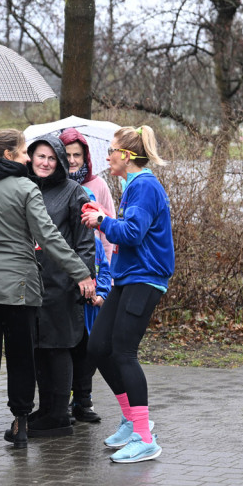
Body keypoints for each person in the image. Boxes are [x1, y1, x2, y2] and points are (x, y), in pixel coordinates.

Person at [0, 129, 96, 457]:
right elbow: (51, 237)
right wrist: (82, 272)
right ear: (9, 155)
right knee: (20, 360)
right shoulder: (27, 188)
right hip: (21, 290)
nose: (30, 158)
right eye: (25, 152)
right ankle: (20, 425)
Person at [80, 125, 174, 464]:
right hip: (127, 278)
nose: (108, 156)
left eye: (113, 150)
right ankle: (132, 420)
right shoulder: (134, 186)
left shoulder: (145, 187)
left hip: (145, 279)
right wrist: (103, 218)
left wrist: (101, 219)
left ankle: (145, 438)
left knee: (123, 352)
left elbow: (133, 233)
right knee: (98, 347)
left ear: (128, 156)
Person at [25, 134, 96, 437]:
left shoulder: (73, 192)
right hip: (31, 282)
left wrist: (84, 278)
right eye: (40, 156)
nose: (45, 163)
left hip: (63, 282)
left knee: (59, 347)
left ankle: (58, 415)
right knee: (39, 347)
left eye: (51, 158)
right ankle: (46, 408)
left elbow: (85, 242)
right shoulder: (26, 188)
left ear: (60, 161)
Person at [71, 205, 112, 423]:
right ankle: (65, 400)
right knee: (70, 356)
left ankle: (83, 401)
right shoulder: (67, 241)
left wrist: (102, 294)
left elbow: (105, 270)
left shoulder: (96, 243)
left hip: (91, 312)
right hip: (71, 310)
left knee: (89, 357)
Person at [59, 127, 116, 262]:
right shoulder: (53, 186)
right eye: (67, 155)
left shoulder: (98, 184)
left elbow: (109, 228)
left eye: (77, 155)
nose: (72, 160)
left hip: (94, 260)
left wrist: (106, 269)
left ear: (85, 156)